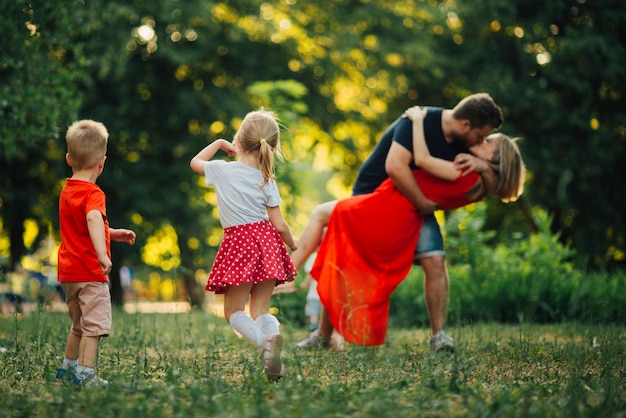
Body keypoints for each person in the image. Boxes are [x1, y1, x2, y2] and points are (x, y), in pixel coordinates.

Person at [293, 105, 525, 347]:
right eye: (484, 136)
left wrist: (418, 123)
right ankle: (321, 332)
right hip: (393, 198)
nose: (481, 140)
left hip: (402, 204)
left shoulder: (468, 169)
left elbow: (423, 161)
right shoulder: (474, 172)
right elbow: (399, 166)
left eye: (487, 140)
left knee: (427, 260)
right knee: (345, 253)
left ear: (492, 157)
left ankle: (289, 278)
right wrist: (486, 168)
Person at [190, 109, 298, 381]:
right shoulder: (266, 179)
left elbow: (195, 162)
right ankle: (272, 337)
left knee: (234, 311)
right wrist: (292, 244)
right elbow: (279, 223)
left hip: (239, 243)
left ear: (239, 140)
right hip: (267, 242)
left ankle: (266, 345)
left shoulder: (222, 170)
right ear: (271, 147)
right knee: (260, 309)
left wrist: (218, 144)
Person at [55, 120, 136, 387]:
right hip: (90, 272)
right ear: (102, 162)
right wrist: (103, 254)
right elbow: (91, 218)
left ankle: (67, 369)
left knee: (78, 325)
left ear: (69, 159)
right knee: (94, 327)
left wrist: (113, 233)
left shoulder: (67, 191)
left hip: (69, 273)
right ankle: (85, 375)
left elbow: (84, 227)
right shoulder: (93, 193)